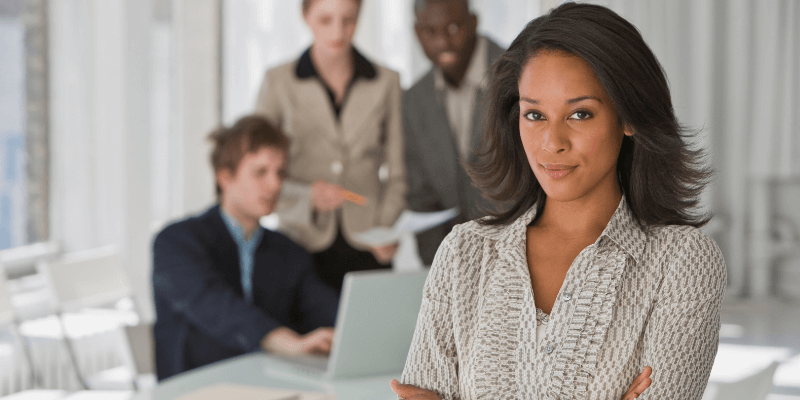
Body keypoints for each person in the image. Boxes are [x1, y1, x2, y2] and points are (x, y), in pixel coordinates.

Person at [392, 3, 725, 399]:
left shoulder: (684, 264)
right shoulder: (464, 253)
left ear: (629, 116)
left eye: (580, 114)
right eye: (534, 115)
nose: (552, 143)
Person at [152, 116, 338, 381]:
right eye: (260, 172)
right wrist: (287, 343)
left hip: (270, 386)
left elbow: (322, 306)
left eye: (280, 173)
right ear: (224, 177)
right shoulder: (175, 242)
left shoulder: (288, 251)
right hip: (197, 388)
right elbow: (216, 307)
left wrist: (344, 332)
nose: (275, 185)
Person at [255, 0, 406, 293]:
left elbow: (401, 172)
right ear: (305, 16)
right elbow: (256, 172)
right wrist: (306, 197)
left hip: (369, 245)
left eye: (348, 19)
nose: (338, 31)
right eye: (325, 20)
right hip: (299, 241)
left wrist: (385, 229)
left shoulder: (387, 82)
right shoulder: (277, 82)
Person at [404, 0, 505, 265]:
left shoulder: (517, 74)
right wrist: (440, 271)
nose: (443, 42)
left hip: (519, 260)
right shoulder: (414, 100)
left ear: (473, 22)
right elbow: (421, 197)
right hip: (452, 269)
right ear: (417, 32)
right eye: (430, 31)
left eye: (453, 27)